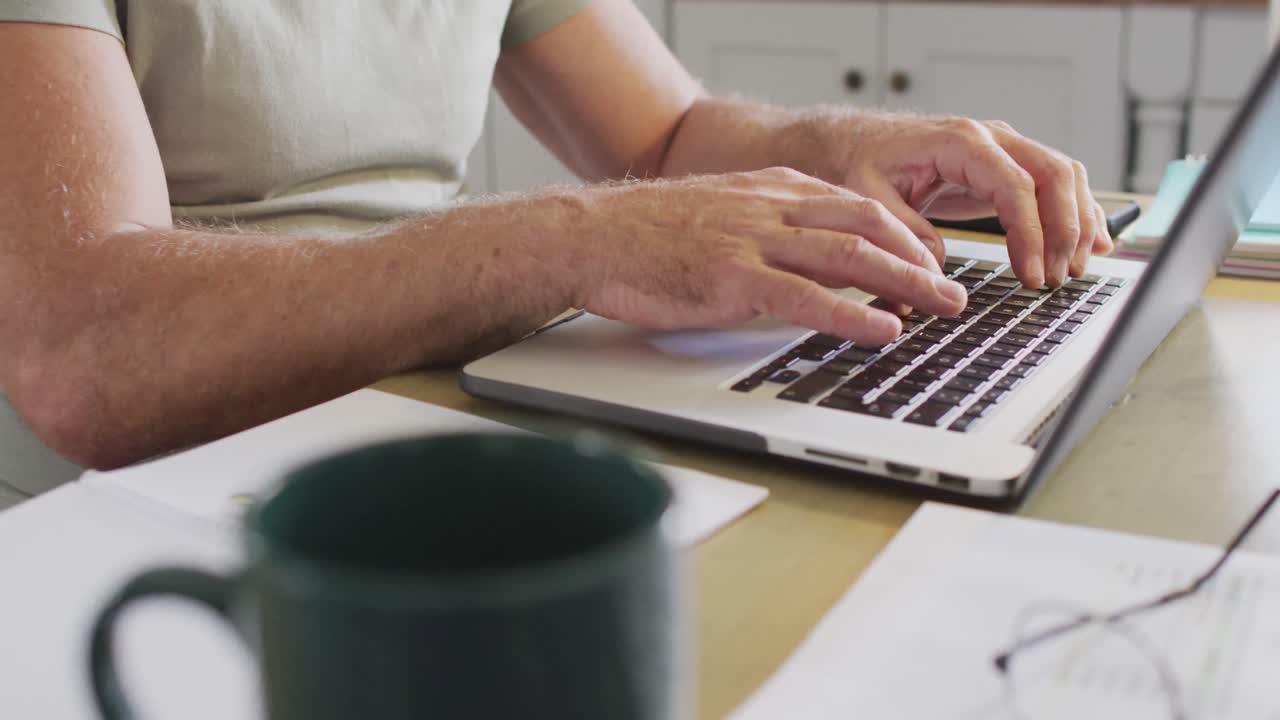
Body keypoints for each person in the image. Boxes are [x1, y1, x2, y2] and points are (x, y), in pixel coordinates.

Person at [0, 0, 1113, 507]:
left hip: (424, 404)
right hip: (150, 490)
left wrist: (847, 141)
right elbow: (84, 356)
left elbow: (665, 134)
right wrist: (561, 242)